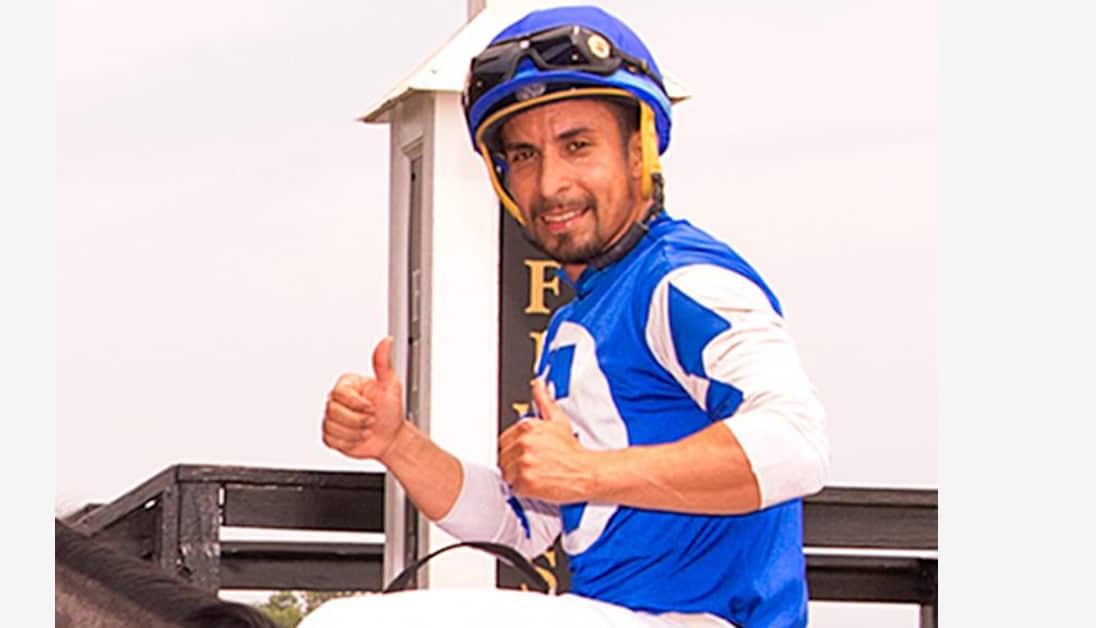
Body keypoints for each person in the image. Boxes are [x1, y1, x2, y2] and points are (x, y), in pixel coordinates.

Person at [312, 5, 829, 627]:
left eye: (577, 146)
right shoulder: (578, 318)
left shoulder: (685, 279)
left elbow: (797, 443)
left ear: (639, 150)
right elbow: (520, 524)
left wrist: (588, 471)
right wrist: (396, 443)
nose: (551, 183)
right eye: (524, 156)